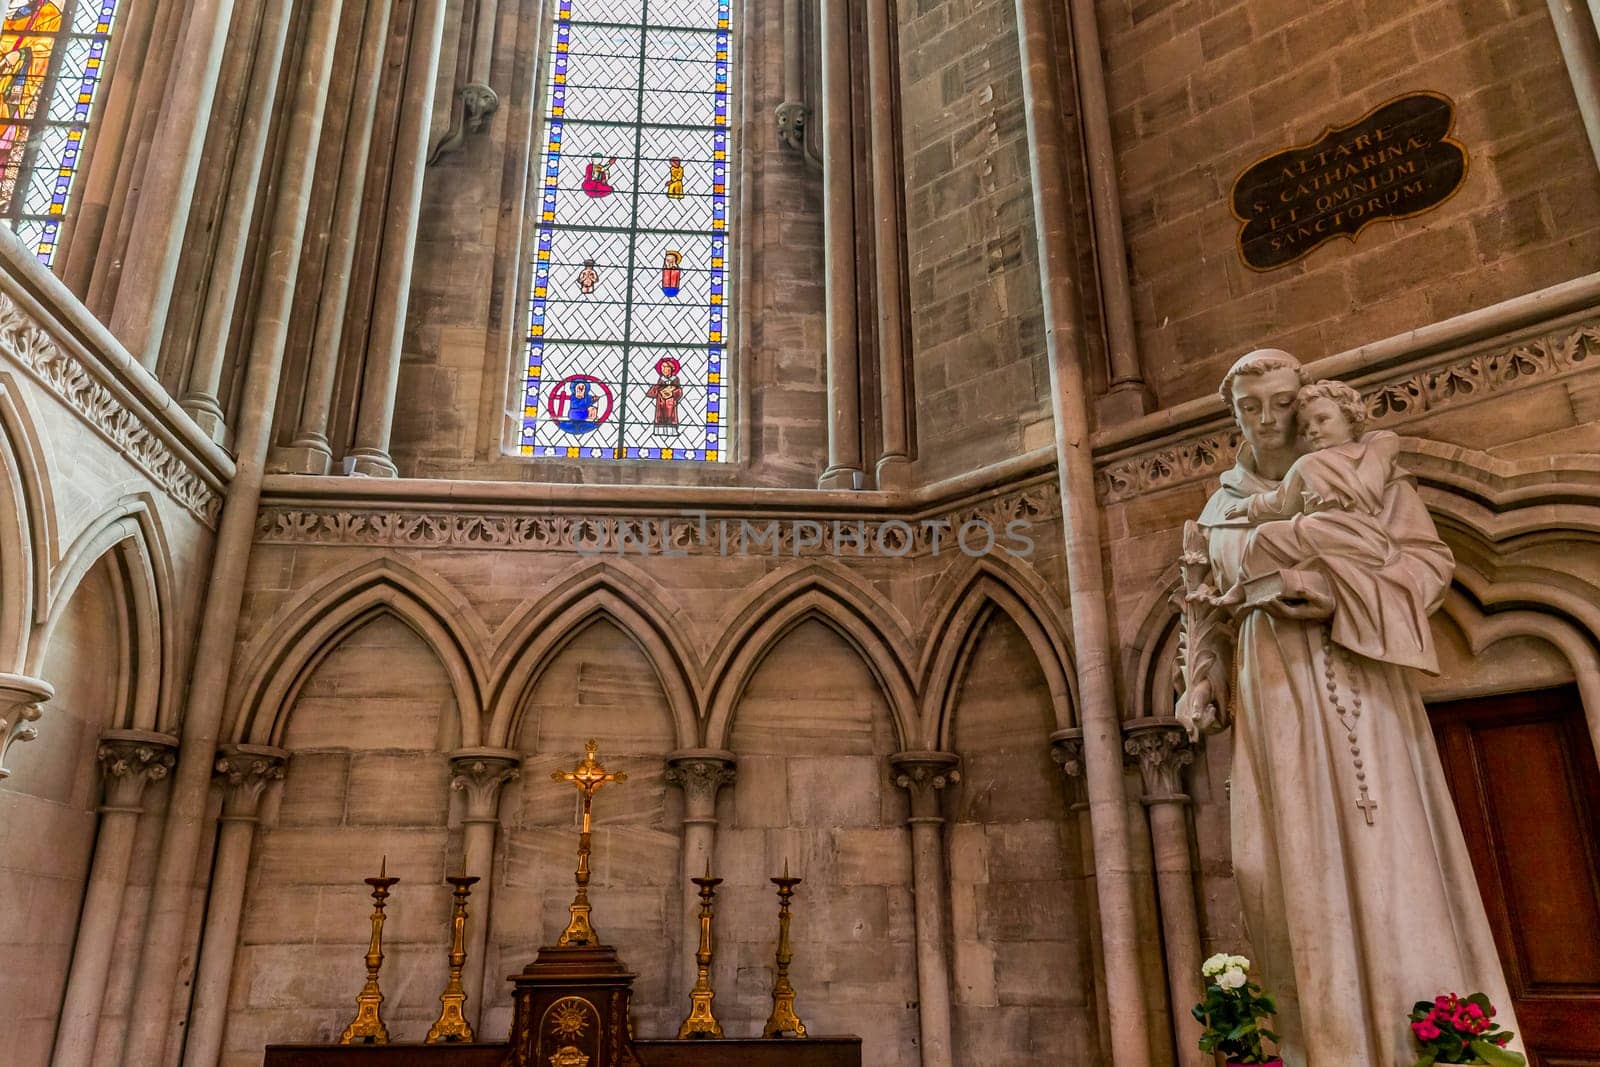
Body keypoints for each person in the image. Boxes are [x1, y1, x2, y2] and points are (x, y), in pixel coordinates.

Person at [1178, 349, 1521, 1066]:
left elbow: (1426, 565)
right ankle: (1318, 1045)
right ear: (1233, 413)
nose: (1269, 419)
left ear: (1307, 401)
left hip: (1363, 676)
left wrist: (1338, 595)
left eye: (1281, 401)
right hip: (1271, 687)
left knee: (1388, 847)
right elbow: (1204, 608)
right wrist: (1199, 680)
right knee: (1277, 865)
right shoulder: (1218, 506)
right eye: (1251, 407)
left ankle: (1430, 1039)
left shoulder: (1370, 477)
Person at [1211, 379, 1404, 612]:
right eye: (1304, 428)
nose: (1312, 430)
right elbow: (1282, 501)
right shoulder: (1320, 461)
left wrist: (1248, 507)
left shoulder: (1370, 452)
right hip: (1352, 534)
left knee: (1265, 536)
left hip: (1341, 530)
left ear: (1350, 417)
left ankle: (1245, 587)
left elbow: (1280, 503)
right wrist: (1248, 506)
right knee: (1267, 539)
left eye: (1322, 420)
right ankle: (1252, 587)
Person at [645, 358, 682, 434]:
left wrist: (672, 392)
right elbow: (652, 392)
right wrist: (659, 390)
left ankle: (671, 432)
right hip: (660, 403)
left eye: (666, 367)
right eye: (662, 367)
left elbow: (679, 392)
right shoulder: (661, 380)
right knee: (660, 418)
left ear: (672, 368)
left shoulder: (675, 380)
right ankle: (660, 432)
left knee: (670, 417)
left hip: (670, 404)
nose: (664, 369)